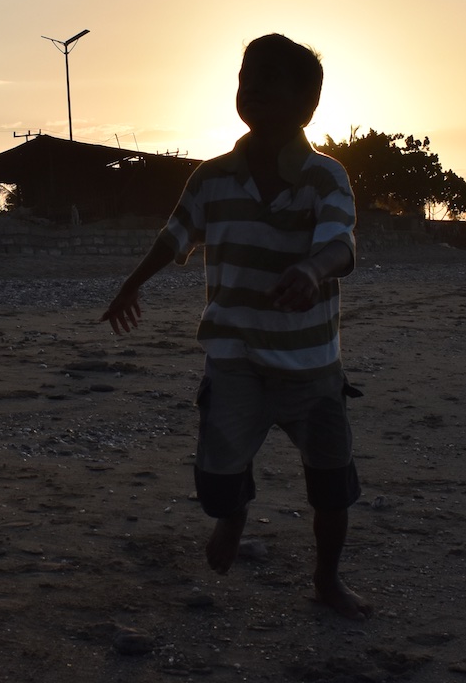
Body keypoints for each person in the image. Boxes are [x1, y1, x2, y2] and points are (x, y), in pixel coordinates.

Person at [101, 33, 372, 619]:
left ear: (308, 101)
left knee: (330, 484)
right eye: (245, 76)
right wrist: (132, 283)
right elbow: (175, 235)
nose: (251, 88)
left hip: (312, 366)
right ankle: (234, 513)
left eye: (269, 77)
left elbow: (340, 244)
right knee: (217, 477)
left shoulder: (326, 177)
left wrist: (310, 269)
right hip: (235, 359)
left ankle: (327, 580)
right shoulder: (211, 177)